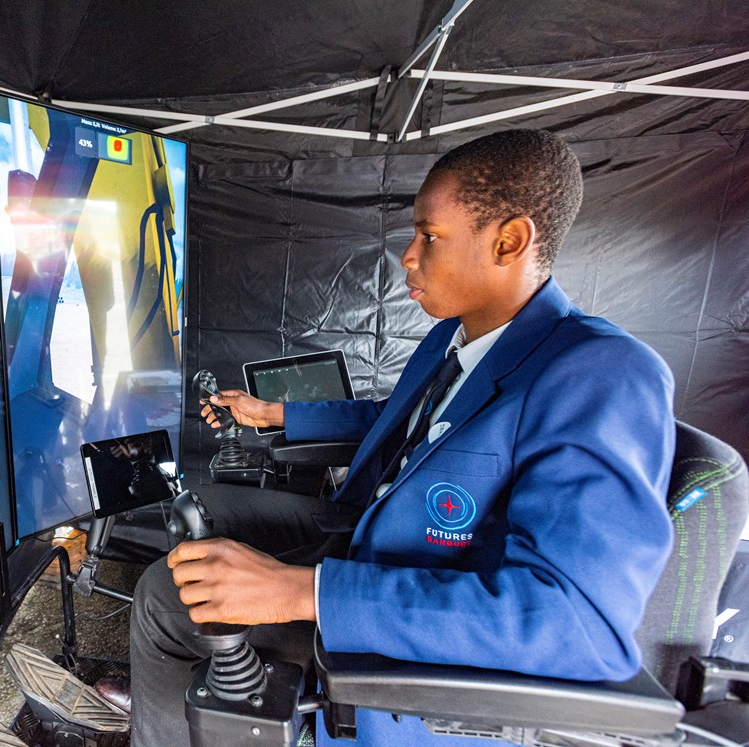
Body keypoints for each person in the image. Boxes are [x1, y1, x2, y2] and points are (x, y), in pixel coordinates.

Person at [128, 129, 676, 746]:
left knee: (162, 599)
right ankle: (207, 698)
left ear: (509, 241)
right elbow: (402, 419)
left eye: (429, 236)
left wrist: (301, 592)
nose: (408, 257)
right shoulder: (458, 336)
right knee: (209, 510)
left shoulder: (601, 375)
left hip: (405, 617)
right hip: (365, 532)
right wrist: (277, 415)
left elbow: (577, 625)